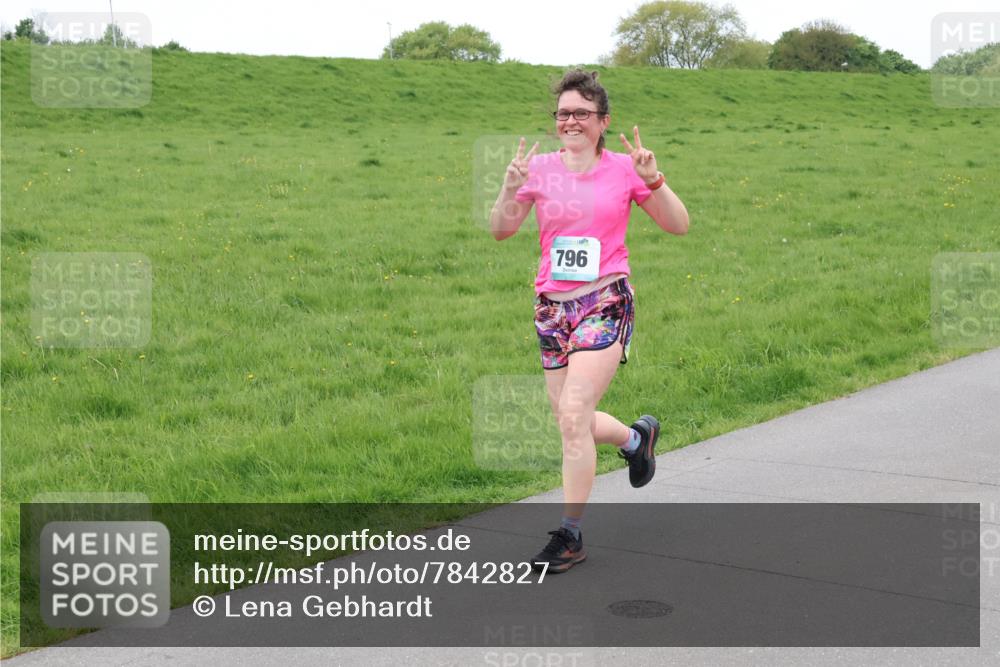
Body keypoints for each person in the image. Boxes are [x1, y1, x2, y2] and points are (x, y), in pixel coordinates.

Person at [489, 69, 690, 573]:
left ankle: (570, 536)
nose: (570, 121)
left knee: (574, 412)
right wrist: (508, 188)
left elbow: (678, 225)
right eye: (563, 113)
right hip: (552, 308)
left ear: (603, 121)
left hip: (604, 300)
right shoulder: (537, 170)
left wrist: (654, 181)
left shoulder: (625, 169)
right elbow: (501, 230)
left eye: (581, 113)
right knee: (568, 420)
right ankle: (635, 439)